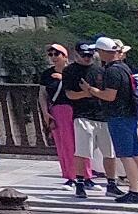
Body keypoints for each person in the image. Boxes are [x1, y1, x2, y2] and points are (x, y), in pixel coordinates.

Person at [92, 39, 138, 203]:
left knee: (126, 156)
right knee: (136, 154)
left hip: (118, 116)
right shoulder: (125, 68)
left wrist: (92, 90)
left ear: (103, 52)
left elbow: (110, 96)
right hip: (130, 115)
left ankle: (134, 191)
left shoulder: (111, 71)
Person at [45, 44, 88, 189]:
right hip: (58, 110)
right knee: (65, 144)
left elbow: (81, 86)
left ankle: (86, 175)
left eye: (56, 54)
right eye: (51, 54)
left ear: (65, 56)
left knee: (82, 143)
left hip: (75, 108)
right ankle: (70, 175)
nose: (53, 57)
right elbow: (42, 94)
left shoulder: (74, 70)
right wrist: (45, 112)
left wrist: (63, 78)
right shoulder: (47, 74)